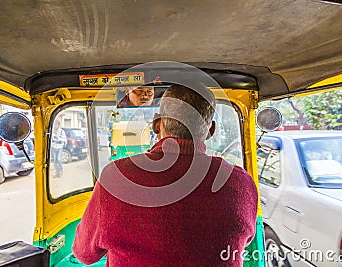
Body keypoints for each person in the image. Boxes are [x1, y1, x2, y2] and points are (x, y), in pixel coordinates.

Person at [73, 84, 258, 266]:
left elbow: (84, 254)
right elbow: (245, 240)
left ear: (156, 124)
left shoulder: (116, 177)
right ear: (211, 131)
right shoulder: (241, 183)